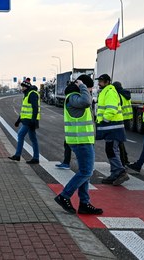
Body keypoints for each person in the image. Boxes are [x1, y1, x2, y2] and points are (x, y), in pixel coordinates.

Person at [54, 74, 103, 215]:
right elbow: (87, 101)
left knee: (85, 172)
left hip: (83, 140)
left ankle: (84, 203)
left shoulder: (75, 96)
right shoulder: (74, 97)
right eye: (89, 87)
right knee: (86, 172)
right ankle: (64, 196)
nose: (89, 90)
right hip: (80, 141)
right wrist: (82, 85)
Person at [95, 74, 129, 186]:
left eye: (101, 81)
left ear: (107, 82)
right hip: (111, 127)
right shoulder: (106, 91)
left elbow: (112, 108)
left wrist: (105, 119)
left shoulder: (110, 92)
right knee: (111, 150)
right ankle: (115, 173)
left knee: (112, 150)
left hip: (113, 127)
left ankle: (120, 171)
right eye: (99, 81)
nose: (99, 83)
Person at [8, 78, 41, 164]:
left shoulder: (32, 94)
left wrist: (33, 120)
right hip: (27, 120)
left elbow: (35, 108)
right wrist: (18, 120)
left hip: (30, 121)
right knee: (33, 138)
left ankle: (18, 155)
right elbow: (24, 110)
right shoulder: (26, 94)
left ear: (27, 87)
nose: (21, 88)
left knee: (20, 134)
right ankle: (36, 158)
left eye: (23, 87)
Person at [113, 81, 132, 166]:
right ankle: (125, 159)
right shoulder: (126, 94)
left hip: (120, 119)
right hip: (127, 119)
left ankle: (123, 161)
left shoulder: (118, 95)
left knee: (119, 141)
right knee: (121, 141)